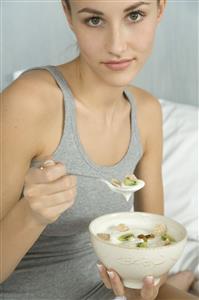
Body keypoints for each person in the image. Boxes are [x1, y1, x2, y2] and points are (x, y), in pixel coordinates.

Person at [0, 0, 197, 299]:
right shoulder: (28, 102)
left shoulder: (146, 111)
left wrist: (144, 284)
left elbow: (154, 245)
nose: (116, 45)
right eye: (94, 20)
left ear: (159, 9)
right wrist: (31, 214)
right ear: (68, 15)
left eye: (134, 15)